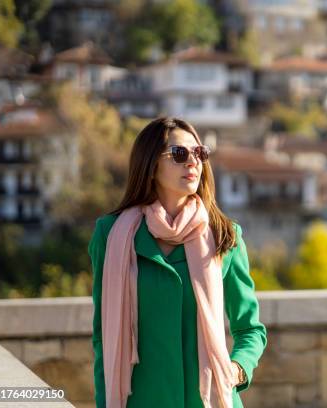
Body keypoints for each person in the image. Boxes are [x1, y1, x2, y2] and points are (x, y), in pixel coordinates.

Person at [88, 117, 267, 408]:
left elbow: (250, 329)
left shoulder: (225, 235)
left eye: (200, 153)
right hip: (141, 401)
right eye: (179, 154)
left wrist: (236, 369)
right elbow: (102, 338)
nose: (193, 162)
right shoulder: (111, 235)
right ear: (150, 165)